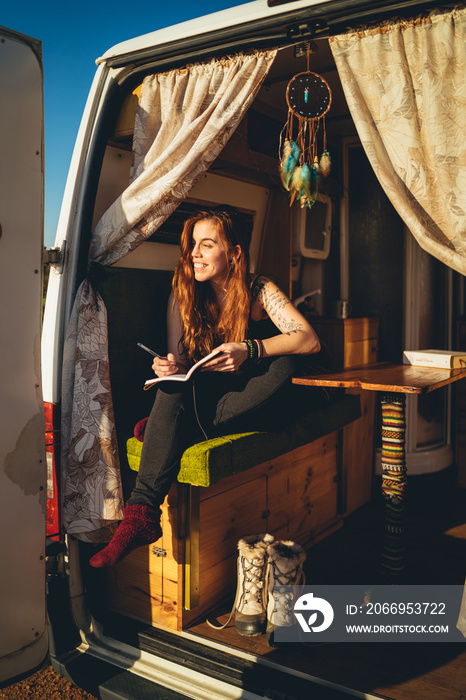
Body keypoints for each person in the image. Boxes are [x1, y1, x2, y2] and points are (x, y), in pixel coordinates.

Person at [90, 205, 325, 568]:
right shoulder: (183, 295)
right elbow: (183, 365)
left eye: (207, 244)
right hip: (216, 400)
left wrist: (250, 350)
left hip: (258, 398)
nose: (194, 254)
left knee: (287, 365)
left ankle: (173, 427)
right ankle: (140, 516)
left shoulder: (259, 289)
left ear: (234, 254)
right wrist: (168, 366)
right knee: (170, 387)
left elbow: (309, 340)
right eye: (192, 245)